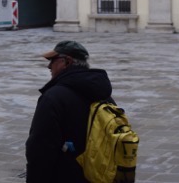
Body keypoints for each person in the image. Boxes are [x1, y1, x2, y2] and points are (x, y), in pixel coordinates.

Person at [25, 40, 113, 183]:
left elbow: (40, 149)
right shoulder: (104, 94)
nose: (49, 66)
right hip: (99, 174)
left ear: (67, 62)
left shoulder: (53, 97)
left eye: (53, 60)